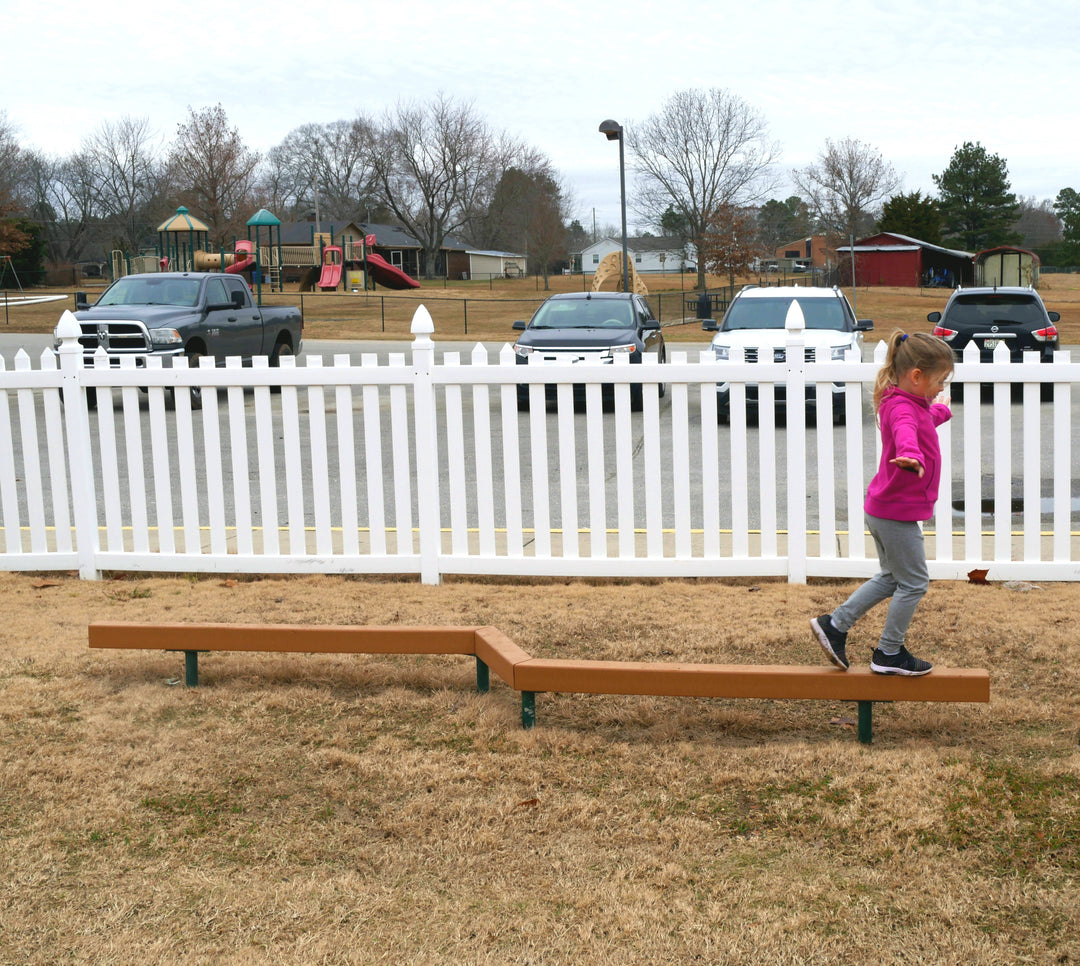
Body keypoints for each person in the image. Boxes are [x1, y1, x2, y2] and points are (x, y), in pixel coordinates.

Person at [811, 331, 955, 676]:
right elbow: (907, 432)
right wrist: (909, 455)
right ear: (916, 376)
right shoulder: (902, 409)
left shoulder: (905, 402)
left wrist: (939, 412)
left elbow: (921, 420)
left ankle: (834, 625)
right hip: (896, 515)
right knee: (915, 582)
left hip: (884, 510)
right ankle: (889, 653)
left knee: (892, 577)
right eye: (939, 381)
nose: (942, 388)